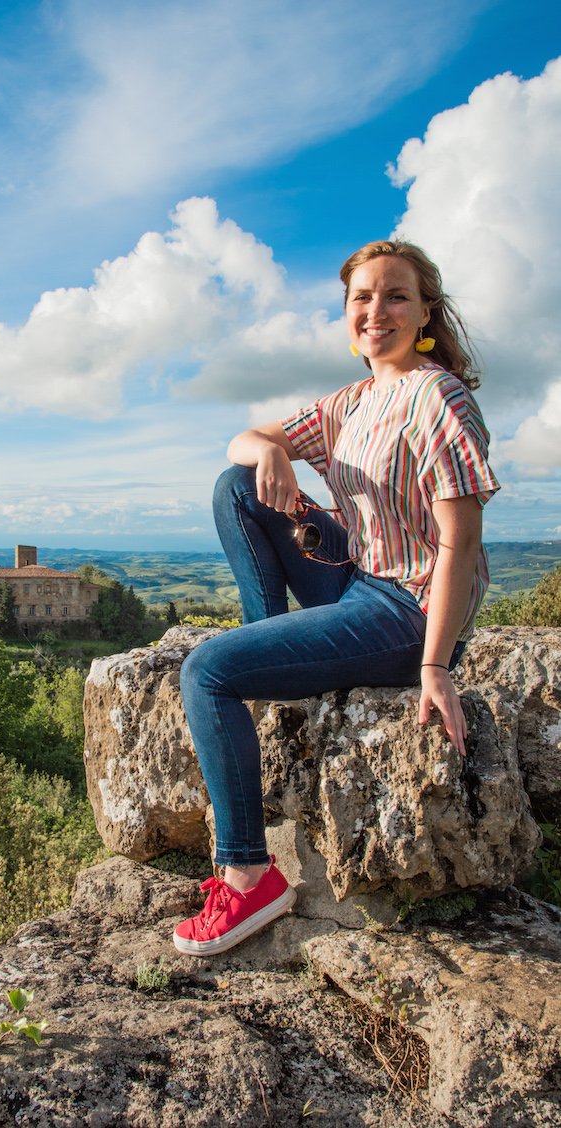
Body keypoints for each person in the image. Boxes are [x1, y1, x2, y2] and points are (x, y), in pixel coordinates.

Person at [173, 239, 500, 957]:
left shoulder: (436, 398)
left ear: (425, 314)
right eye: (362, 297)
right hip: (353, 577)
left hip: (406, 610)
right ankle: (273, 649)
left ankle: (250, 875)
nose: (375, 310)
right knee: (237, 484)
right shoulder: (353, 401)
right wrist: (271, 451)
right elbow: (246, 439)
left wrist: (437, 666)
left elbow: (460, 546)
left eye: (395, 296)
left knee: (206, 670)